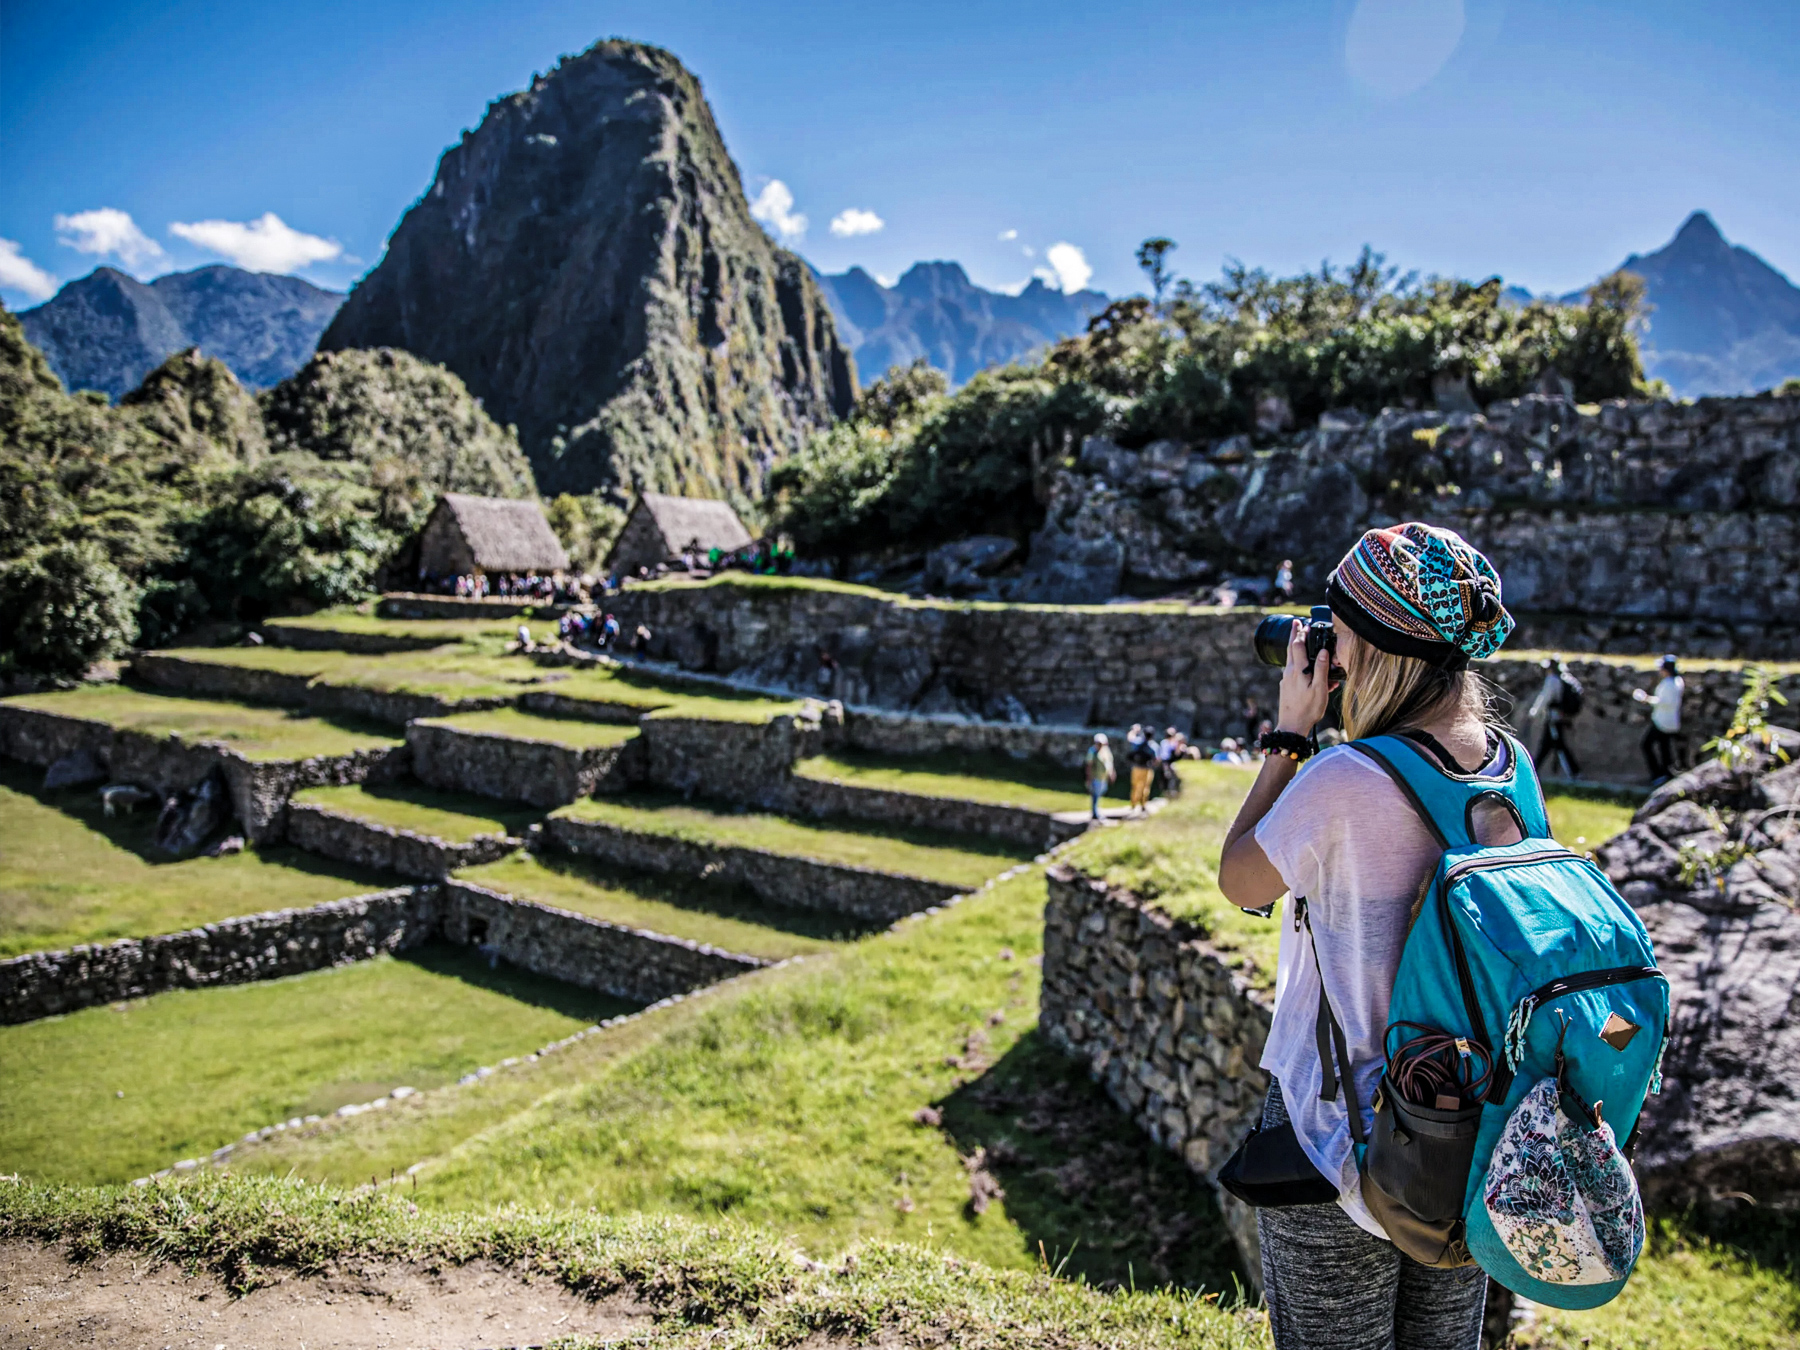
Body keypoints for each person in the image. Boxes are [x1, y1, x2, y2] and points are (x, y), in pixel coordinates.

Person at [1216, 522, 1514, 1350]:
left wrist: (1288, 736)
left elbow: (1241, 879)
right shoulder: (1508, 768)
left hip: (1339, 1129)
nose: (1324, 648)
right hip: (1464, 1118)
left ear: (1379, 649)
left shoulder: (1346, 777)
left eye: (1337, 628)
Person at [1633, 654, 1684, 784]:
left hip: (1662, 722)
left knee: (1646, 745)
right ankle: (1666, 774)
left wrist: (1646, 699)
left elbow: (1664, 702)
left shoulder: (1669, 684)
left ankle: (1657, 774)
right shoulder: (1678, 682)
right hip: (1672, 722)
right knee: (1664, 747)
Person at [1528, 656, 1581, 778]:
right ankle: (1534, 771)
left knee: (1558, 745)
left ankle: (1574, 773)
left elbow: (1545, 697)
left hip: (1554, 718)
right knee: (1548, 744)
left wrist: (1534, 712)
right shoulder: (1566, 678)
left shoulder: (1552, 680)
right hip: (1561, 717)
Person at [1083, 733, 1115, 820]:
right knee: (1095, 795)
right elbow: (1089, 766)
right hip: (1095, 777)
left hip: (1103, 778)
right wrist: (1088, 778)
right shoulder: (1092, 751)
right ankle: (1095, 813)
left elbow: (1109, 763)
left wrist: (1112, 773)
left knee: (1101, 792)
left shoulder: (1106, 751)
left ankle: (1096, 812)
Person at [1125, 724, 1156, 812]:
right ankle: (1143, 805)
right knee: (1145, 787)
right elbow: (1156, 759)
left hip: (1136, 768)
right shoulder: (1153, 746)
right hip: (1147, 769)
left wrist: (1134, 730)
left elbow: (1130, 738)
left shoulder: (1138, 742)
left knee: (1135, 786)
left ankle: (1133, 804)